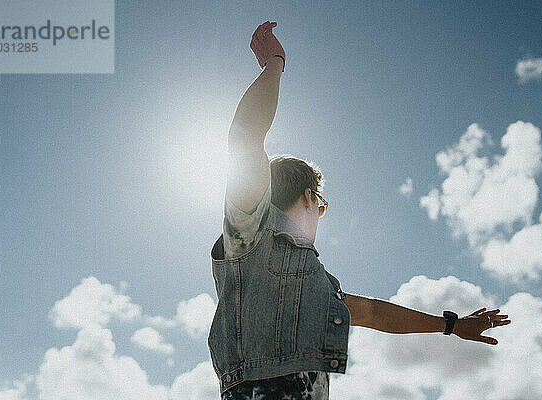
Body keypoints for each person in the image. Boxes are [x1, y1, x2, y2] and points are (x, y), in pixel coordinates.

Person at [207, 21, 512, 400]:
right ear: (308, 197)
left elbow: (373, 313)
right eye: (321, 206)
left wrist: (451, 326)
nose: (319, 215)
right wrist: (274, 61)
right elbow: (244, 138)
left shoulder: (317, 282)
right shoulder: (252, 232)